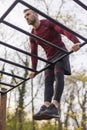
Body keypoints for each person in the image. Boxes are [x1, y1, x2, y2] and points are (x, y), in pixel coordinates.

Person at [24, 9, 80, 120]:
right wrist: (33, 70)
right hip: (49, 59)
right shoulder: (32, 35)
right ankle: (46, 106)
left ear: (36, 14)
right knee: (47, 80)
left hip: (60, 53)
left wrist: (76, 41)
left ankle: (55, 106)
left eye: (28, 14)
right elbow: (33, 53)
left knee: (58, 74)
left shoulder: (47, 23)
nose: (26, 17)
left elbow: (63, 30)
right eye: (25, 16)